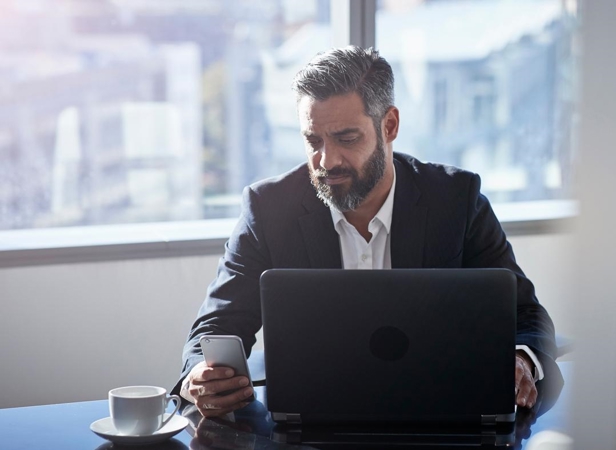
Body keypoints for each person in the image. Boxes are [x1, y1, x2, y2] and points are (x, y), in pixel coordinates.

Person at [175, 46, 563, 418]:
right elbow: (216, 326)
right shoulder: (268, 208)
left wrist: (519, 358)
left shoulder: (457, 200)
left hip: (438, 418)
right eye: (313, 141)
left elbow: (526, 315)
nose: (327, 161)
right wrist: (200, 376)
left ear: (389, 125)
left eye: (346, 138)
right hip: (309, 425)